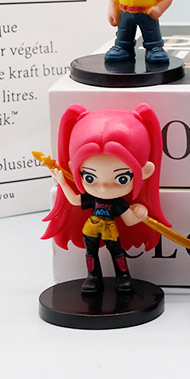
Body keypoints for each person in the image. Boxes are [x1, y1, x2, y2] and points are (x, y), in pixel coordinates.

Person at [42, 104, 168, 294]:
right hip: (91, 228)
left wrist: (141, 214)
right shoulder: (92, 198)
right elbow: (75, 200)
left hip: (110, 230)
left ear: (145, 171)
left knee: (117, 252)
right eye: (90, 178)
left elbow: (129, 219)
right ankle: (93, 277)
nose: (103, 188)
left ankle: (123, 277)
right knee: (91, 253)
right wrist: (62, 182)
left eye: (122, 179)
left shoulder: (118, 203)